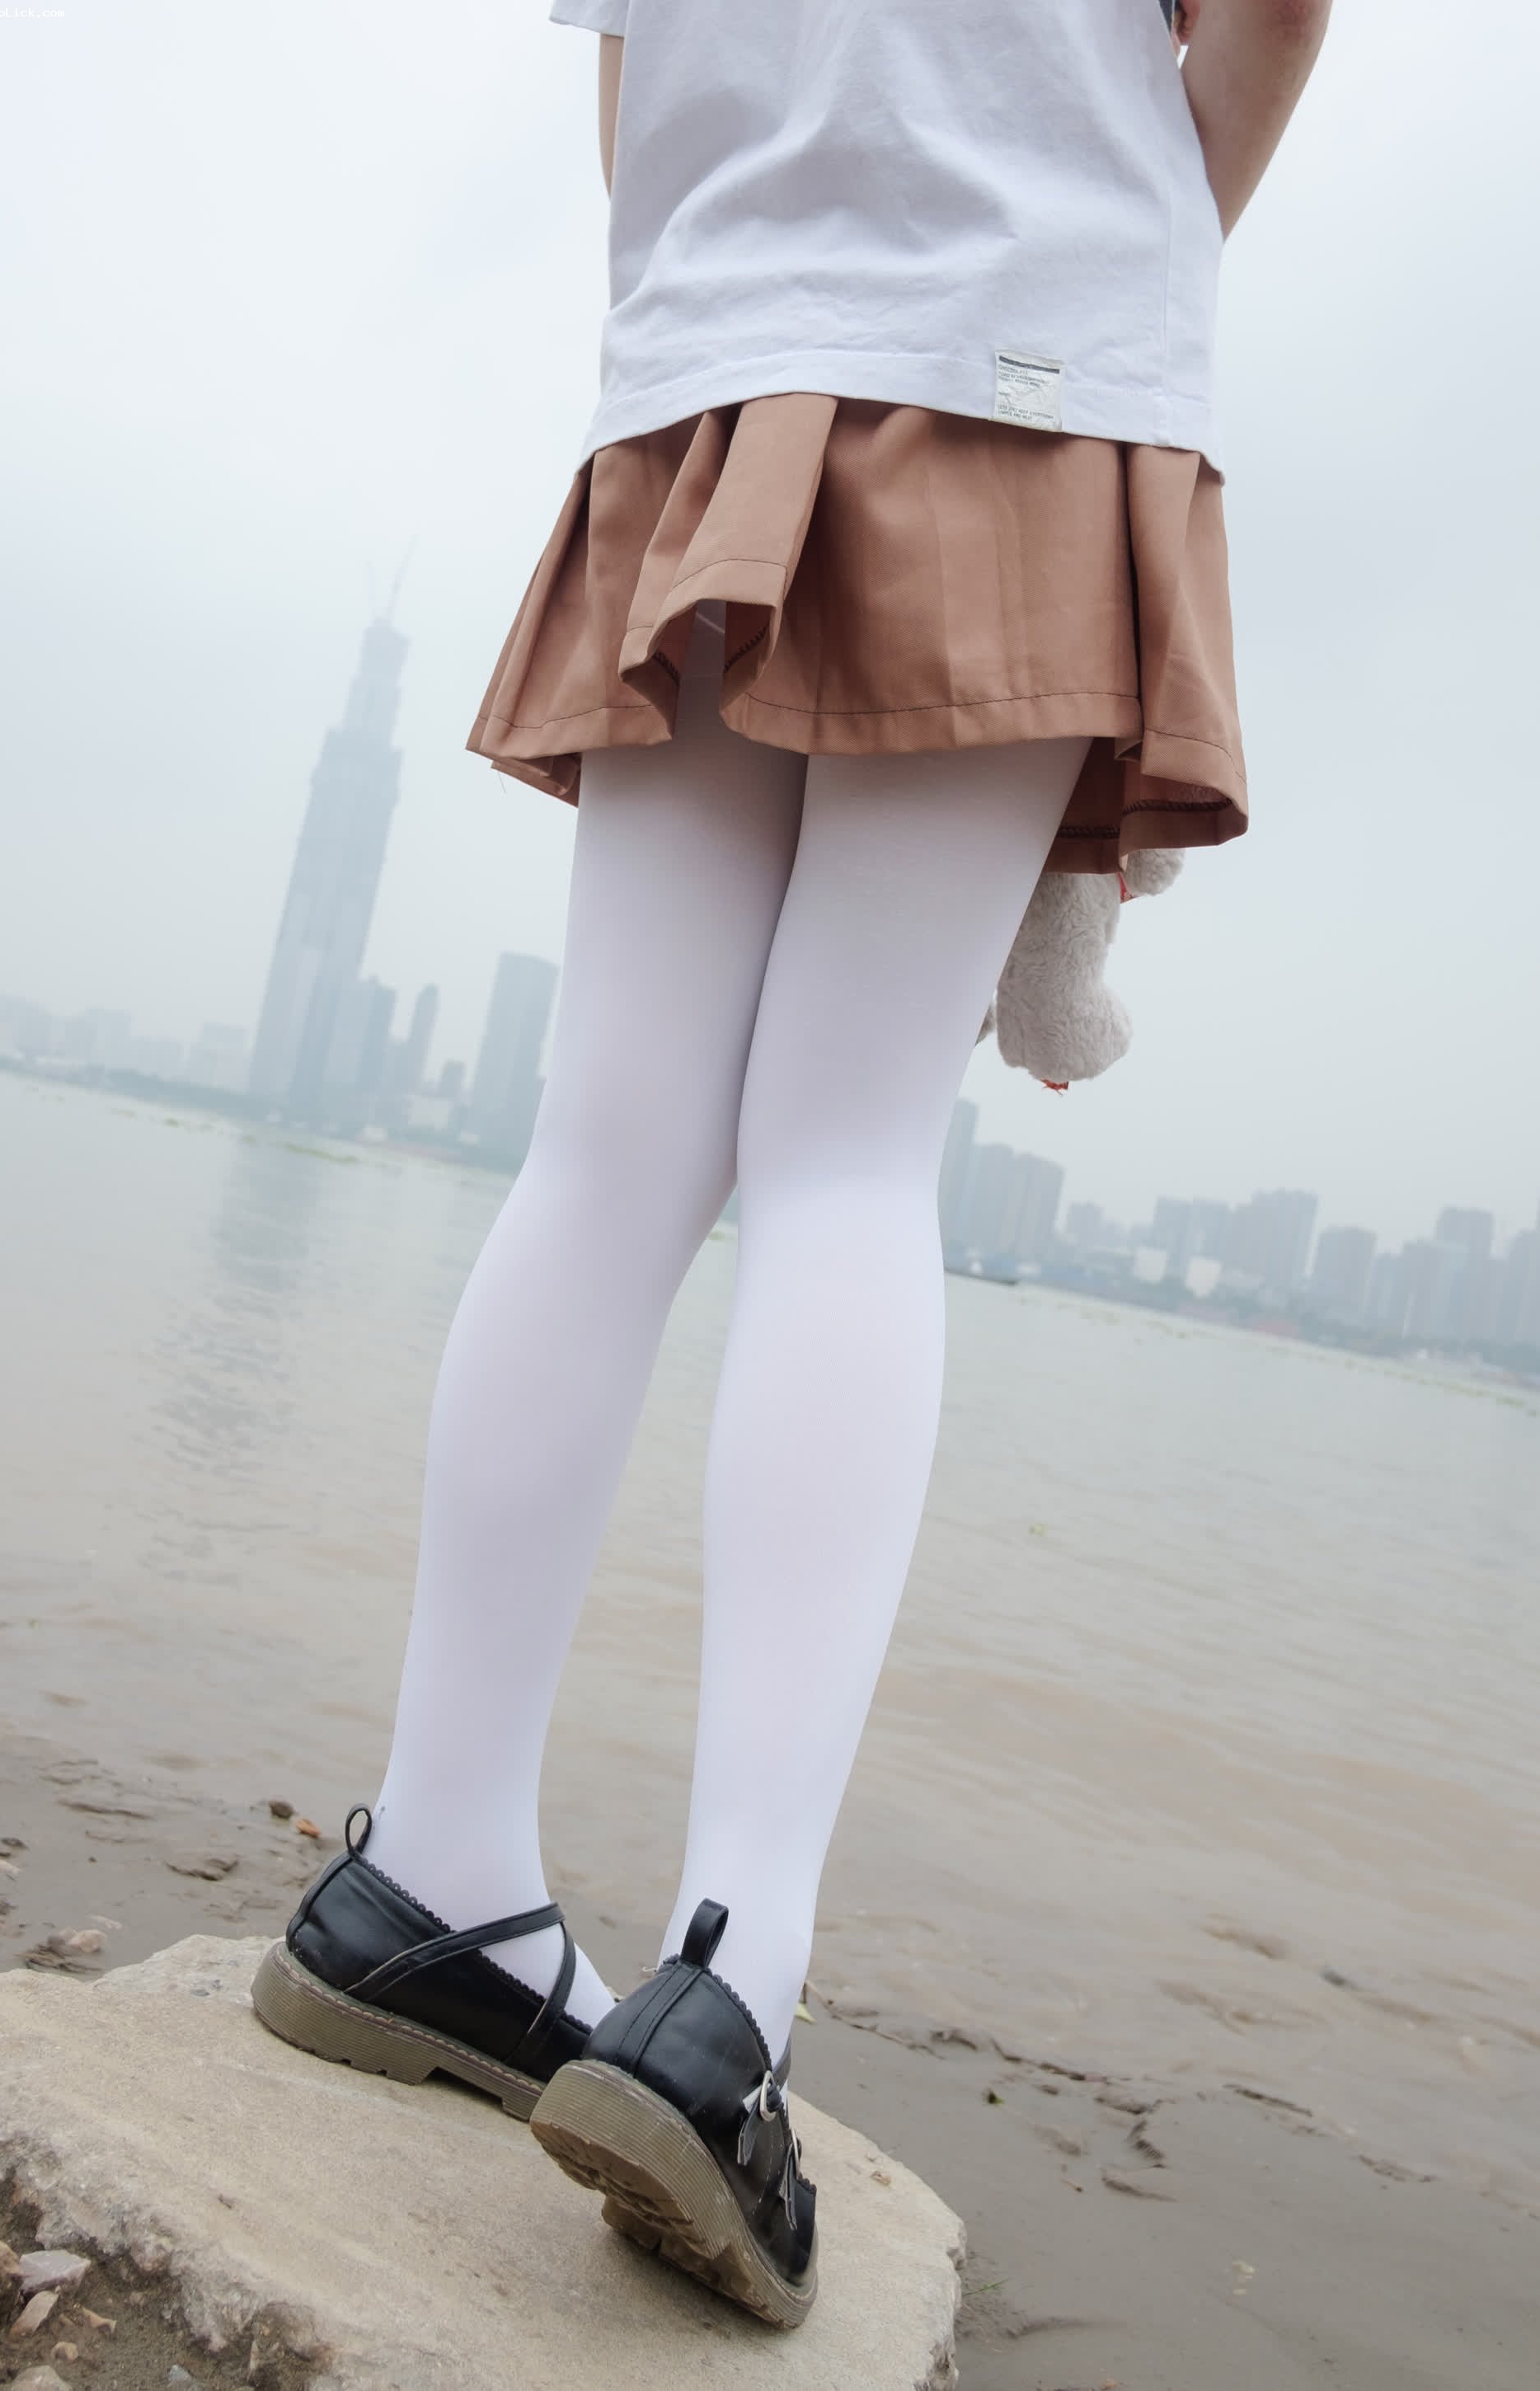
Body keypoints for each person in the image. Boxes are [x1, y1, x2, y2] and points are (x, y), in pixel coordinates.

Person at [254, 0, 1331, 2330]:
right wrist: (1120, 259)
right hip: (1023, 333)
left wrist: (745, 280)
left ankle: (431, 1865)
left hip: (711, 344)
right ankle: (725, 1984)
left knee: (608, 1139)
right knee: (842, 1153)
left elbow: (625, 64)